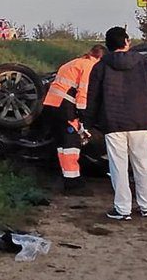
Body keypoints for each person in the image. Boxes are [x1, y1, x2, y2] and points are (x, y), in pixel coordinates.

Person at [84, 26, 147, 220]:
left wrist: (87, 123)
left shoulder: (100, 66)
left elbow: (93, 98)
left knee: (118, 167)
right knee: (143, 164)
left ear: (108, 45)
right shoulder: (142, 62)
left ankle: (122, 209)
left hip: (113, 122)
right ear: (126, 42)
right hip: (140, 120)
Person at [42, 44, 106, 192]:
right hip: (65, 106)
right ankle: (72, 182)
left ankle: (69, 178)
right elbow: (83, 92)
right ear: (99, 58)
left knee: (63, 145)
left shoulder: (76, 62)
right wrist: (83, 114)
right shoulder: (89, 66)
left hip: (53, 104)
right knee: (71, 144)